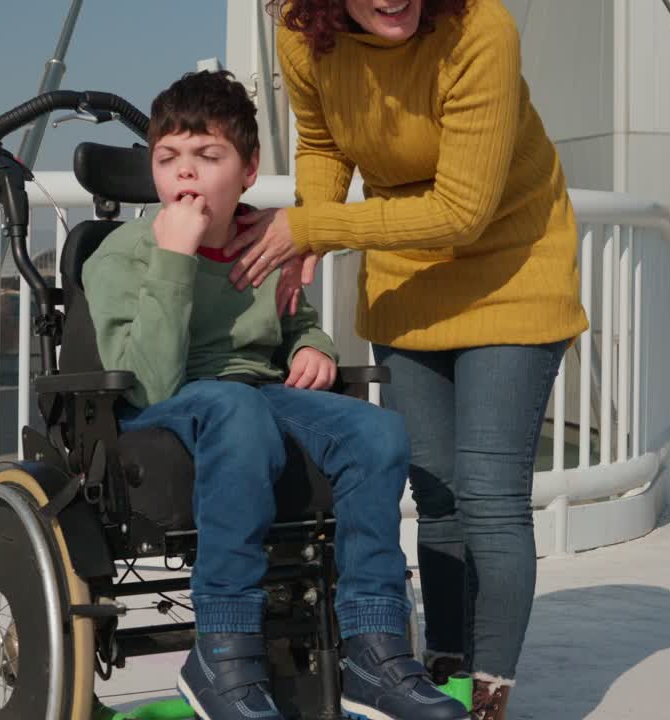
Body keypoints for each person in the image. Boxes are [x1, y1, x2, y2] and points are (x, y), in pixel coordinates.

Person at [224, 2, 590, 717]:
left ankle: (489, 698)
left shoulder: (481, 30)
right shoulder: (306, 35)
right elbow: (324, 141)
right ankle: (442, 677)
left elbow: (462, 211)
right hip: (405, 275)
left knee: (488, 492)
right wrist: (309, 240)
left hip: (514, 266)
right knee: (436, 489)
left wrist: (316, 225)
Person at [83, 70, 467, 720]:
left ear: (248, 169)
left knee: (378, 431)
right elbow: (146, 378)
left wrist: (310, 344)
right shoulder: (122, 254)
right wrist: (174, 258)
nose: (187, 174)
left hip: (257, 395)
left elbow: (293, 321)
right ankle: (222, 653)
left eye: (208, 157)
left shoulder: (262, 244)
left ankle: (372, 649)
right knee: (235, 407)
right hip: (166, 407)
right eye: (169, 158)